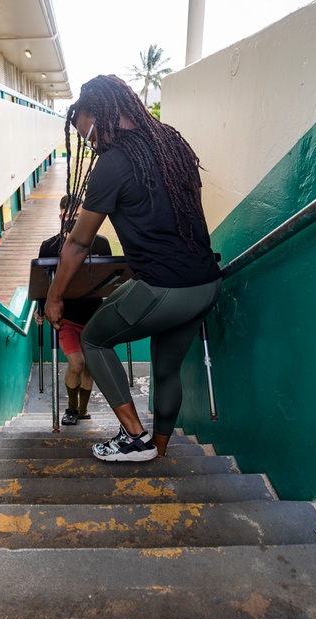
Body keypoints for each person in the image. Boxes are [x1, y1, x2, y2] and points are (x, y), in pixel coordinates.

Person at [44, 75, 221, 462]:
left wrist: (55, 298)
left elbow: (77, 242)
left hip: (164, 288)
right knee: (166, 369)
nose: (88, 141)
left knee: (92, 339)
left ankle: (134, 439)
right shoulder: (171, 144)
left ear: (98, 113)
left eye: (85, 130)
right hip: (205, 284)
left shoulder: (114, 163)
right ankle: (157, 450)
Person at [36, 194, 112, 425]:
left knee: (89, 367)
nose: (75, 220)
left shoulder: (100, 243)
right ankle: (70, 409)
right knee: (76, 363)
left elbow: (109, 279)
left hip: (94, 315)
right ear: (61, 216)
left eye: (80, 216)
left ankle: (82, 409)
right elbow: (42, 283)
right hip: (65, 318)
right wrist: (41, 310)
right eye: (70, 216)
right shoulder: (49, 247)